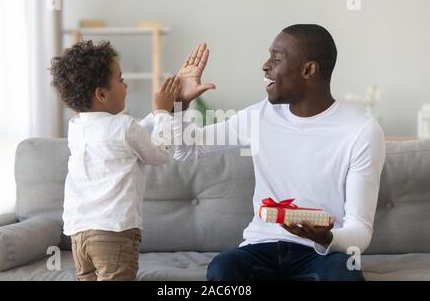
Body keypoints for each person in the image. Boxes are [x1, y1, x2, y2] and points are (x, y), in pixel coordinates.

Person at [170, 24, 386, 281]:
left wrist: (325, 237)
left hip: (322, 253)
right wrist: (180, 103)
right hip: (261, 247)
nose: (265, 65)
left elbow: (359, 231)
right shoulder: (258, 116)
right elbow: (185, 150)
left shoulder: (361, 130)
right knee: (223, 269)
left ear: (309, 70)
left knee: (345, 276)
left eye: (276, 58)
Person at [50, 40, 179, 281]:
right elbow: (162, 154)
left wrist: (155, 115)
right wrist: (162, 113)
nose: (126, 84)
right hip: (114, 232)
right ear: (101, 93)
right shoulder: (123, 126)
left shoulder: (77, 128)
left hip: (79, 233)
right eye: (120, 79)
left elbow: (124, 138)